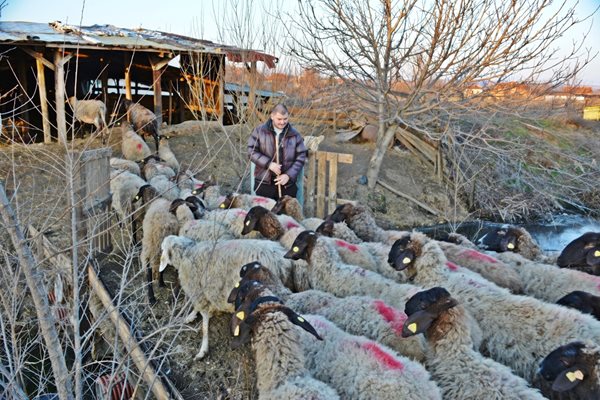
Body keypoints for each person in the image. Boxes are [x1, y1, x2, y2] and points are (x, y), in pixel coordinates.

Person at [247, 104, 307, 200]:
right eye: (279, 119)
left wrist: (289, 175)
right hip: (264, 184)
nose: (283, 122)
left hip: (287, 186)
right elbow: (251, 151)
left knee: (286, 214)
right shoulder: (259, 131)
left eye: (285, 119)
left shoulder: (295, 134)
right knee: (264, 214)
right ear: (272, 116)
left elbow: (301, 156)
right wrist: (269, 164)